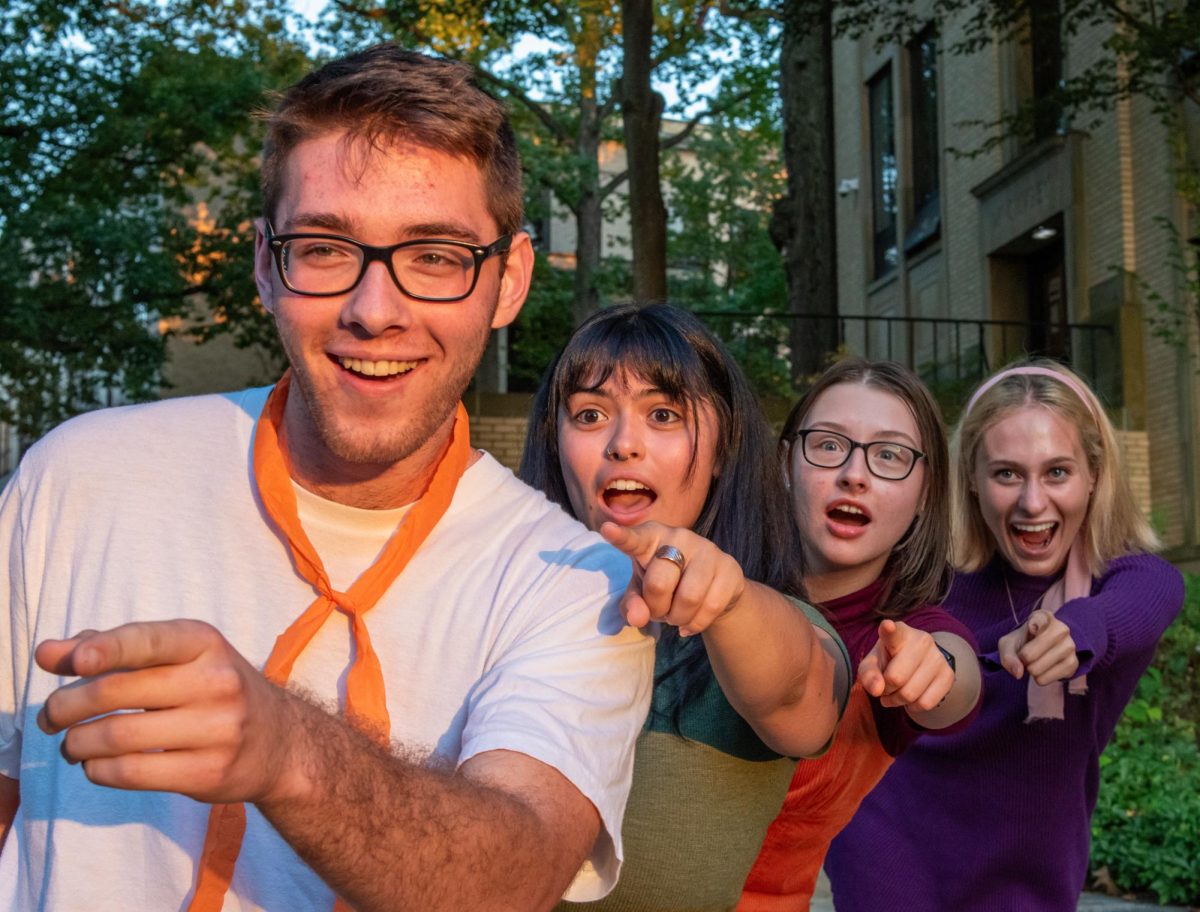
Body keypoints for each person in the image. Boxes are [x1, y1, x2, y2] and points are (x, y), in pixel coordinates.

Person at [0, 46, 656, 912]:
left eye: (435, 256)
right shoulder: (77, 478)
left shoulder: (579, 585)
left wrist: (289, 751)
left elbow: (518, 873)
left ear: (509, 281)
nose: (374, 311)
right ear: (267, 266)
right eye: (323, 247)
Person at [519, 302, 852, 911]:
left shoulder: (778, 625)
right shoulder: (496, 609)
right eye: (590, 414)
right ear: (556, 446)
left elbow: (797, 694)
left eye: (664, 415)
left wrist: (727, 604)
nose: (624, 443)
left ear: (723, 449)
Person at [825, 360, 1184, 911]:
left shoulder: (1117, 586)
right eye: (1007, 474)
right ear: (971, 477)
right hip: (889, 850)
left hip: (1030, 877)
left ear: (1094, 475)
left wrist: (1074, 630)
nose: (1032, 503)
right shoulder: (928, 577)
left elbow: (1157, 590)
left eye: (1057, 473)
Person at [738, 358, 983, 912]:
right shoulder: (717, 574)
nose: (855, 473)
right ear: (785, 462)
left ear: (925, 494)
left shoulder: (911, 630)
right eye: (828, 445)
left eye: (890, 455)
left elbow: (955, 682)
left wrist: (932, 672)